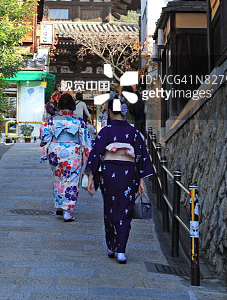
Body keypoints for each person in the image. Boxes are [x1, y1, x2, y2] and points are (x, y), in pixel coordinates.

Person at [85, 95, 153, 263]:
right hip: (129, 174)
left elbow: (96, 155)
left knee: (109, 208)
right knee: (125, 210)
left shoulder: (106, 131)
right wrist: (141, 181)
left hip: (109, 173)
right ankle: (121, 250)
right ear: (123, 111)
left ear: (109, 112)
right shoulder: (134, 132)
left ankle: (111, 245)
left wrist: (91, 178)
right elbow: (141, 157)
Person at [40, 93, 91, 221]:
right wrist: (88, 154)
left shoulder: (52, 120)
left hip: (55, 151)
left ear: (60, 105)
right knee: (71, 180)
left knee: (58, 177)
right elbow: (86, 139)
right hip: (72, 152)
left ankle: (59, 205)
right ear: (72, 106)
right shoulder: (78, 121)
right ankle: (67, 212)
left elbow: (44, 135)